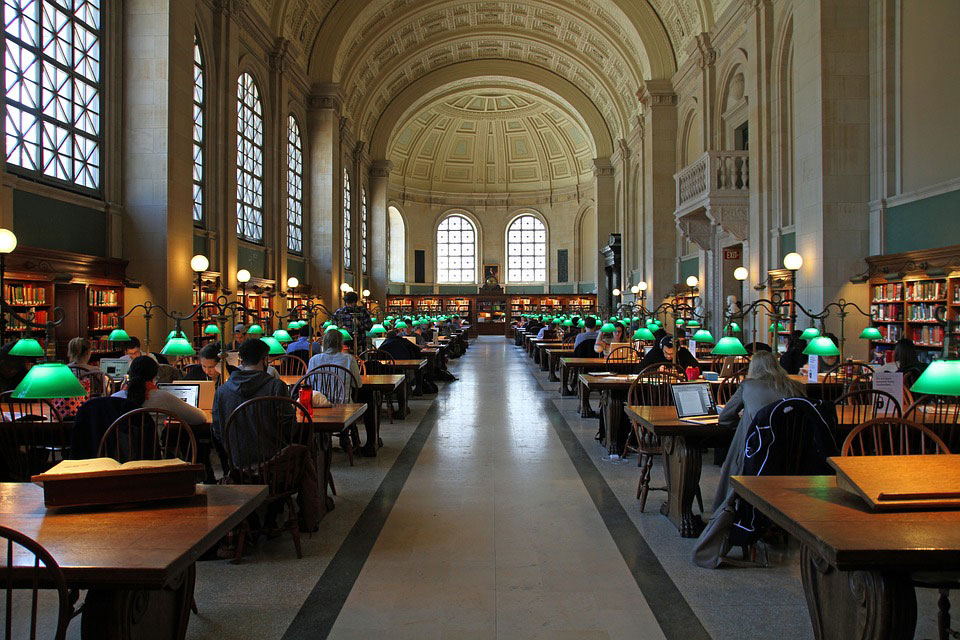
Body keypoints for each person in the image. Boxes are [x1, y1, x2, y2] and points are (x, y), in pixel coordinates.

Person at [694, 351, 808, 568]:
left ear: (753, 368)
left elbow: (725, 418)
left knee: (738, 448)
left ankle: (725, 515)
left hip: (756, 460)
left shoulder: (748, 386)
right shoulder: (795, 387)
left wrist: (747, 421)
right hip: (790, 462)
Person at [211, 339, 292, 469]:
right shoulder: (276, 387)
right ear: (265, 359)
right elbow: (289, 426)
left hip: (238, 466)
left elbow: (217, 430)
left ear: (241, 361)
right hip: (275, 464)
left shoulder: (222, 391)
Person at [112, 356, 207, 427]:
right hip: (152, 448)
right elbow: (199, 418)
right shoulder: (163, 397)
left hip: (120, 448)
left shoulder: (114, 398)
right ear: (154, 376)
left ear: (130, 374)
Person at [307, 328, 362, 394]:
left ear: (324, 342)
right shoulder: (349, 359)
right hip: (343, 400)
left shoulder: (314, 360)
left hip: (320, 399)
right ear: (341, 343)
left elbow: (308, 382)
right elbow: (358, 384)